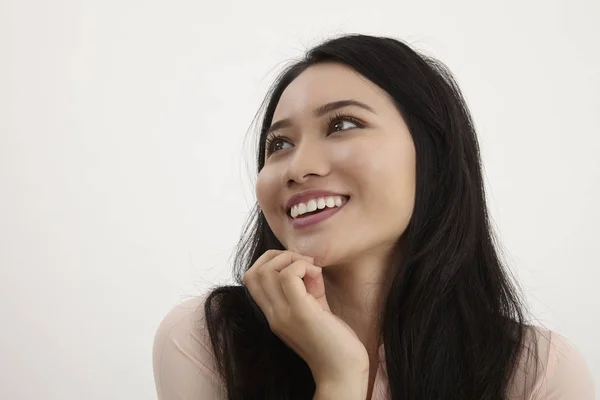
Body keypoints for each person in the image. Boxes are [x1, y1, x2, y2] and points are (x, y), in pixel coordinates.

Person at [152, 34, 595, 399]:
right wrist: (339, 376)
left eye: (342, 125)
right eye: (279, 144)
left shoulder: (537, 374)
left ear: (432, 157)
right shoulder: (208, 340)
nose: (298, 166)